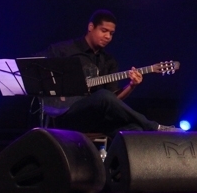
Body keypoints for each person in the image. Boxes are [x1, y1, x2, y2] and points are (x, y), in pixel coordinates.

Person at [38, 9, 178, 137]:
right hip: (64, 113)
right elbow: (35, 67)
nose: (108, 37)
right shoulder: (64, 50)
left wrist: (132, 85)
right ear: (91, 27)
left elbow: (113, 100)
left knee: (134, 130)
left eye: (111, 33)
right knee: (103, 95)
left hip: (93, 118)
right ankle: (154, 126)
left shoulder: (109, 61)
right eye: (104, 31)